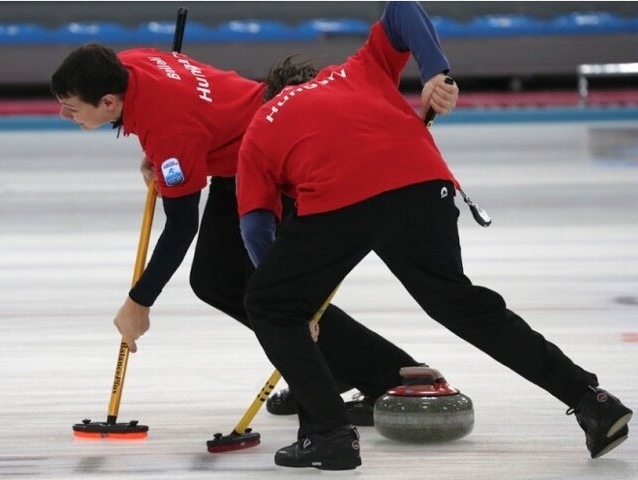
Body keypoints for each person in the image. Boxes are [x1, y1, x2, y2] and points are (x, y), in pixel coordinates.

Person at [236, 1, 633, 470]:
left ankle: (328, 434)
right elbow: (403, 7)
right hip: (424, 185)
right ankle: (591, 400)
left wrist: (295, 304)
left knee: (269, 303)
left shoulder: (260, 124)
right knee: (460, 304)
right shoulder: (356, 69)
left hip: (339, 197)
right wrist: (436, 73)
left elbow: (256, 225)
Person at [48, 27, 456, 426]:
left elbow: (180, 226)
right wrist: (163, 151)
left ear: (106, 100)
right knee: (215, 280)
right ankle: (326, 367)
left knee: (273, 295)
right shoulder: (130, 64)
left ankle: (390, 375)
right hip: (236, 149)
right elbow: (180, 110)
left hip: (273, 159)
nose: (63, 114)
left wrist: (140, 300)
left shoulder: (169, 128)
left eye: (71, 107)